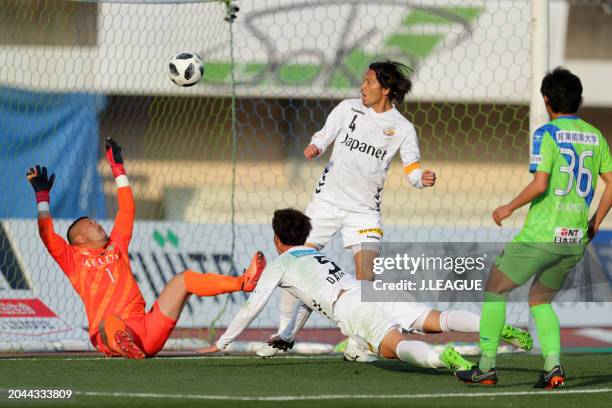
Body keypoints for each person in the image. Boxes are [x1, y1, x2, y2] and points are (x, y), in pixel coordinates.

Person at [260, 60, 437, 361]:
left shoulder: (404, 129)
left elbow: (412, 170)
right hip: (326, 204)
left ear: (386, 89)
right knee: (295, 264)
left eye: (368, 82)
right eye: (363, 81)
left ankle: (359, 342)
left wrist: (422, 179)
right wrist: (315, 146)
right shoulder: (347, 108)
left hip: (364, 212)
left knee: (365, 279)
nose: (362, 87)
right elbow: (324, 134)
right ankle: (285, 335)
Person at [28, 138, 266, 359]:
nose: (97, 223)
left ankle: (243, 282)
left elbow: (127, 210)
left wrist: (118, 168)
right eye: (90, 223)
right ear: (79, 239)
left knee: (184, 279)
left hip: (146, 329)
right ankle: (123, 342)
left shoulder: (115, 245)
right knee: (108, 322)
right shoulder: (72, 258)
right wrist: (42, 197)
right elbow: (47, 235)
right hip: (109, 335)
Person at [456, 68, 612, 388]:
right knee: (541, 300)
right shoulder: (595, 136)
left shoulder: (547, 133)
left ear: (545, 99)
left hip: (541, 235)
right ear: (578, 99)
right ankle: (553, 366)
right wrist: (595, 221)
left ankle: (486, 365)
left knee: (495, 287)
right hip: (573, 239)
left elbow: (540, 183)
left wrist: (508, 207)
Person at [199, 208, 475, 374]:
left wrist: (222, 343)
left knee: (393, 348)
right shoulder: (317, 255)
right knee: (436, 320)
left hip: (351, 306)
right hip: (368, 291)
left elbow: (252, 308)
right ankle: (495, 326)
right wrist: (288, 335)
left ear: (276, 238)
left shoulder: (279, 265)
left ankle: (443, 359)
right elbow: (308, 301)